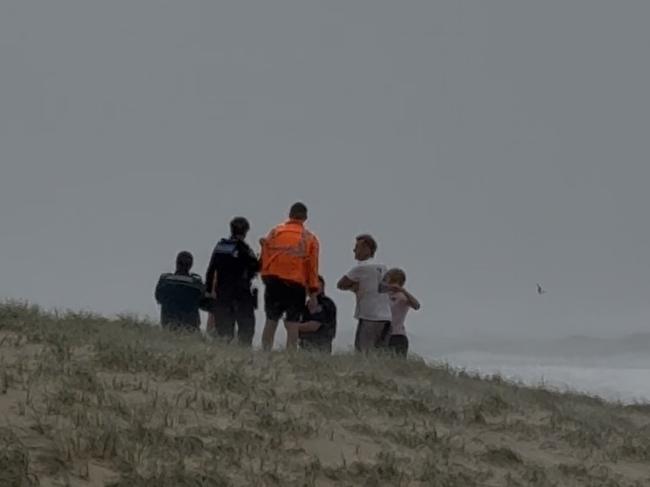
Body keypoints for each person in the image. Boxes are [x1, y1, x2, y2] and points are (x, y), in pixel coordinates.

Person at [260, 202, 320, 351]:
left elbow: (264, 255)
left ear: (290, 214)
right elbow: (312, 267)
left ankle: (265, 353)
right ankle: (291, 356)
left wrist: (265, 277)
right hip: (295, 283)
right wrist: (313, 292)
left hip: (273, 281)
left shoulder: (274, 232)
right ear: (305, 217)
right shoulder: (310, 238)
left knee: (271, 320)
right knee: (293, 323)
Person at [204, 217, 260, 346]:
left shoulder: (221, 247)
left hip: (222, 294)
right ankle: (242, 358)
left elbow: (211, 270)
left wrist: (208, 291)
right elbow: (256, 267)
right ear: (246, 232)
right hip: (242, 295)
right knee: (246, 332)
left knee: (224, 334)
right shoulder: (245, 249)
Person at [337, 234, 392, 353]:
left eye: (357, 247)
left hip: (369, 315)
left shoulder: (360, 268)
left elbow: (341, 284)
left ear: (367, 249)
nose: (354, 250)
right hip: (386, 316)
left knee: (363, 352)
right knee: (381, 353)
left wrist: (353, 287)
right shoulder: (383, 267)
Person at [155, 251, 206, 332]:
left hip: (168, 326)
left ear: (176, 263)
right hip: (191, 329)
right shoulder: (196, 284)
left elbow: (158, 297)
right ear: (190, 265)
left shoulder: (165, 281)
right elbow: (204, 303)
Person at [383, 268, 421, 357]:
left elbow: (416, 305)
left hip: (397, 336)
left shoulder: (402, 297)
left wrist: (403, 290)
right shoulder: (382, 296)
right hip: (382, 336)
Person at [298, 276, 337, 353]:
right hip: (305, 346)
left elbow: (313, 326)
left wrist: (293, 327)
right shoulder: (305, 306)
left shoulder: (326, 303)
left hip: (320, 347)